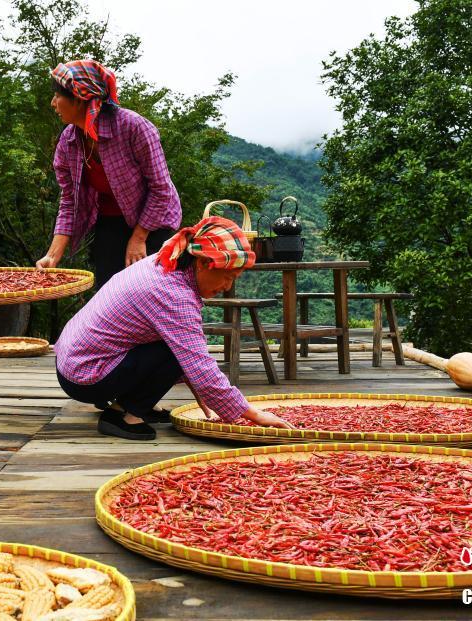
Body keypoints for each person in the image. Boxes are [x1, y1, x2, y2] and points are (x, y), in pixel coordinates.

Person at [55, 216, 295, 441]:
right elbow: (199, 364)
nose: (226, 286)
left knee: (177, 348)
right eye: (227, 277)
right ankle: (124, 416)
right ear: (202, 263)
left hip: (74, 362)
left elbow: (192, 361)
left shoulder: (166, 261)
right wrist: (254, 415)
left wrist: (203, 394)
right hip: (86, 375)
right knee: (175, 352)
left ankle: (133, 404)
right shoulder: (174, 295)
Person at [37, 59, 182, 289]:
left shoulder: (133, 128)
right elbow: (69, 202)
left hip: (154, 222)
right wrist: (53, 255)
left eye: (58, 96)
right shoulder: (68, 142)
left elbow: (161, 189)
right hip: (110, 221)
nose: (53, 103)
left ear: (79, 99)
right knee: (109, 291)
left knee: (150, 290)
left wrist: (139, 237)